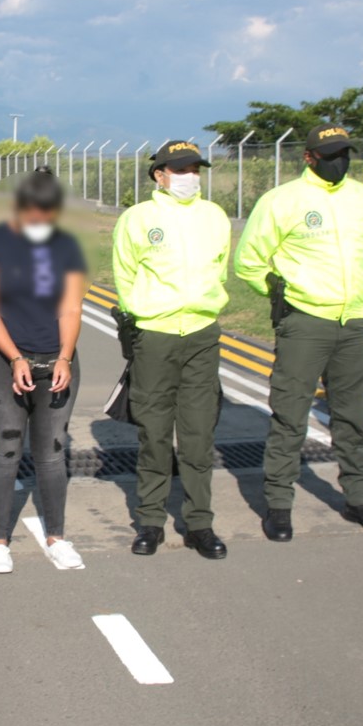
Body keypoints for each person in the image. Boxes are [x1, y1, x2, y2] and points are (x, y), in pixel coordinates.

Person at [234, 123, 363, 541]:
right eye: (330, 155)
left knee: (353, 419)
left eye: (345, 154)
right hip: (304, 322)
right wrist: (280, 296)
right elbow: (248, 261)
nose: (339, 162)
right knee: (290, 418)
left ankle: (360, 499)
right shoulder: (282, 201)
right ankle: (279, 505)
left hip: (355, 323)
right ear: (309, 158)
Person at [111, 140, 231, 559]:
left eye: (195, 169)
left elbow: (219, 268)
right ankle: (150, 521)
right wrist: (144, 319)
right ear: (159, 175)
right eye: (180, 169)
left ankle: (200, 523)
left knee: (198, 436)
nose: (189, 177)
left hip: (201, 334)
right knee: (155, 435)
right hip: (155, 336)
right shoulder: (138, 218)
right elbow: (125, 276)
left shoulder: (214, 216)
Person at [0, 168, 87, 573]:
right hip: (2, 363)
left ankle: (58, 537)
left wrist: (65, 357)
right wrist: (16, 357)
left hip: (56, 361)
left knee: (52, 456)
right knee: (5, 452)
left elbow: (71, 307)